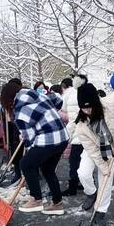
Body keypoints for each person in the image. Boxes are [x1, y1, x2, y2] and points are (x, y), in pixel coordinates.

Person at [70, 80, 114, 226]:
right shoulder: (81, 125)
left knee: (106, 180)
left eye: (89, 106)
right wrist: (104, 167)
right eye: (83, 108)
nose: (87, 111)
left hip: (111, 148)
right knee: (83, 173)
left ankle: (100, 213)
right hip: (93, 149)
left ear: (96, 102)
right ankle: (91, 193)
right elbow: (92, 151)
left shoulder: (110, 103)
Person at [11, 86, 69, 215]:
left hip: (48, 140)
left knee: (26, 164)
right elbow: (58, 99)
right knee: (47, 169)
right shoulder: (39, 95)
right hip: (63, 137)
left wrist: (25, 140)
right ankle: (57, 203)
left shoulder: (20, 112)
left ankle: (36, 200)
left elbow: (30, 139)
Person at [60, 76, 84, 196]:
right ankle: (84, 184)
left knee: (74, 161)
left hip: (79, 136)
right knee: (83, 161)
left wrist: (67, 136)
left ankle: (73, 187)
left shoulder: (71, 97)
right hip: (87, 135)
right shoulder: (81, 93)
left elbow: (73, 121)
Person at [0, 81, 25, 184]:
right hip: (12, 125)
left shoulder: (22, 100)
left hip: (23, 127)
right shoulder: (7, 101)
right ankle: (18, 173)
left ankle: (27, 174)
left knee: (26, 152)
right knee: (15, 150)